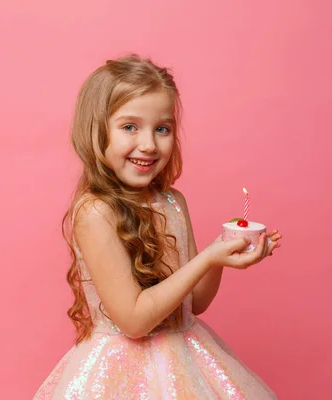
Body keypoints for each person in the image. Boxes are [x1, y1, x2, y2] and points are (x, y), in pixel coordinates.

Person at [33, 55, 282, 399]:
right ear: (96, 131)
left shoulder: (172, 202)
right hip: (120, 373)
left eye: (162, 128)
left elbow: (194, 303)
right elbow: (134, 321)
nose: (149, 144)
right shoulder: (95, 213)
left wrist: (222, 255)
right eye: (130, 127)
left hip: (188, 355)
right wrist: (207, 258)